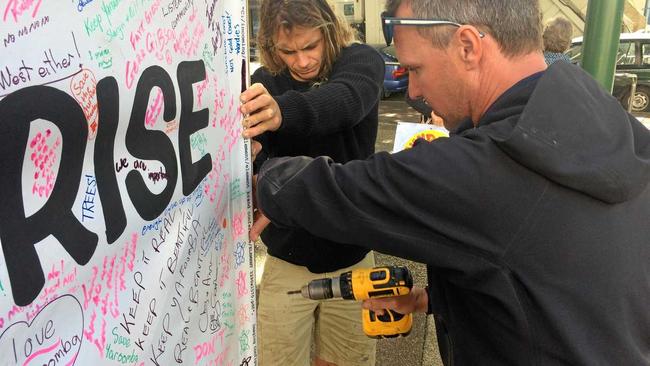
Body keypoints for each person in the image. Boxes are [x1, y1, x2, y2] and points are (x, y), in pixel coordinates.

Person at [249, 0, 650, 365]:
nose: (414, 92)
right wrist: (436, 299)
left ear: (467, 46)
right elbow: (553, 271)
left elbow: (345, 191)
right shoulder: (597, 113)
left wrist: (263, 178)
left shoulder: (489, 165)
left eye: (416, 69)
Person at [239, 0, 384, 365]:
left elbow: (346, 102)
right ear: (271, 47)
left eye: (310, 47)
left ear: (329, 34)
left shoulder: (361, 61)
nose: (301, 61)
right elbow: (262, 157)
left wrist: (281, 112)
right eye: (288, 51)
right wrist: (256, 163)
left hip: (352, 252)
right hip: (287, 256)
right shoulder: (265, 83)